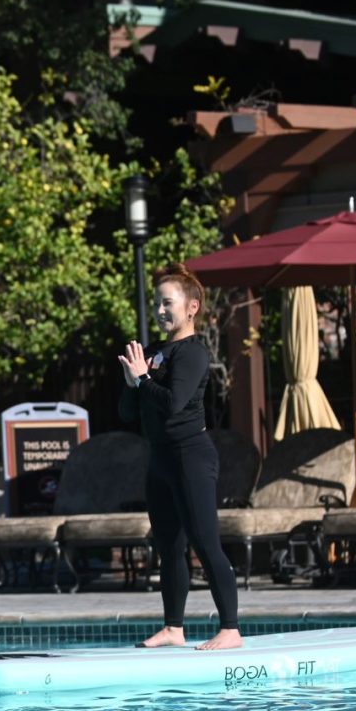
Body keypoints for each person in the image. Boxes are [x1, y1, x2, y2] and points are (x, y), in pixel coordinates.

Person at [118, 267, 243, 651]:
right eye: (156, 303)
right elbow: (127, 412)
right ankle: (174, 627)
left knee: (205, 543)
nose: (159, 310)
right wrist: (132, 384)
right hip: (160, 459)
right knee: (169, 547)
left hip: (191, 457)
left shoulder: (193, 353)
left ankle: (231, 629)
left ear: (192, 307)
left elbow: (173, 404)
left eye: (167, 303)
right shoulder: (152, 352)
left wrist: (143, 380)